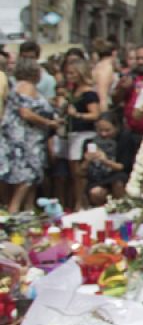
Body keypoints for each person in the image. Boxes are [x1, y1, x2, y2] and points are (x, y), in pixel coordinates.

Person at [0, 59, 62, 212]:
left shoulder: (20, 87)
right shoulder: (27, 87)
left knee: (31, 177)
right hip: (26, 139)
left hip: (24, 138)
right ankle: (13, 210)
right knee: (28, 176)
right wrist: (49, 122)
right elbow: (25, 113)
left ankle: (28, 209)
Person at [61, 62, 101, 211]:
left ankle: (82, 202)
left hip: (84, 134)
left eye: (72, 73)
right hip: (72, 134)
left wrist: (77, 114)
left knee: (81, 171)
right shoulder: (73, 91)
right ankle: (78, 200)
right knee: (73, 172)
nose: (69, 76)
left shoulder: (89, 93)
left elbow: (95, 114)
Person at [82, 115, 131, 205]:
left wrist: (104, 160)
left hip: (117, 174)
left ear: (116, 128)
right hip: (98, 178)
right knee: (95, 192)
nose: (103, 134)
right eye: (100, 130)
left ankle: (123, 208)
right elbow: (80, 172)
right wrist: (87, 160)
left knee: (118, 182)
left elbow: (122, 167)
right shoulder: (90, 142)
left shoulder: (124, 139)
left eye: (107, 130)